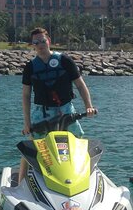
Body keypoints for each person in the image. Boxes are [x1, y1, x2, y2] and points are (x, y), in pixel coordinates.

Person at [19, 27, 97, 180]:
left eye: (43, 41)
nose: (40, 44)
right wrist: (27, 123)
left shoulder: (65, 61)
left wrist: (88, 106)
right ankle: (19, 183)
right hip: (42, 112)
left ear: (49, 41)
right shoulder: (30, 67)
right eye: (36, 42)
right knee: (33, 147)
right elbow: (26, 95)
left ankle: (84, 178)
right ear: (32, 45)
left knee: (78, 143)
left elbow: (80, 85)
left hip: (66, 110)